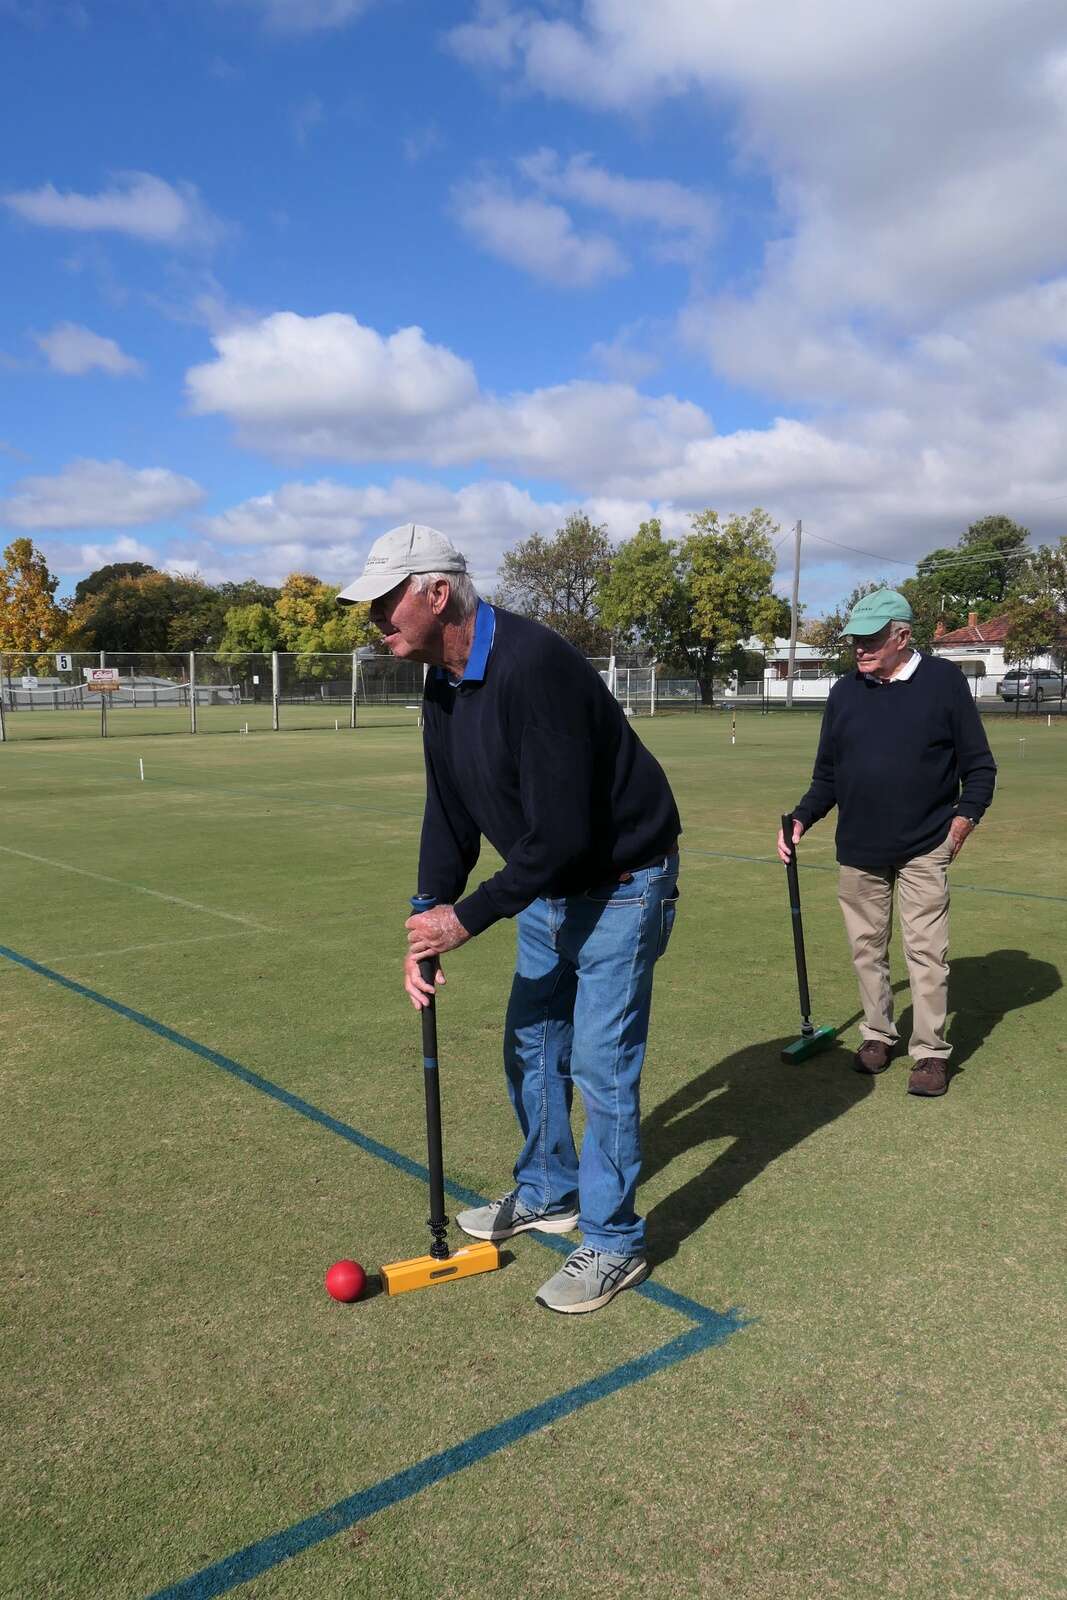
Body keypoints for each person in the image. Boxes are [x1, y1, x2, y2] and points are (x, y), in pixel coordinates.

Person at [339, 523, 681, 1313]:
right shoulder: (439, 682)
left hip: (621, 884)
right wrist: (427, 914)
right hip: (547, 886)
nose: (374, 618)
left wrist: (469, 918)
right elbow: (451, 812)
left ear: (436, 592)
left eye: (385, 600)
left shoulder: (536, 667)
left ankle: (613, 1241)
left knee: (599, 1064)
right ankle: (549, 1189)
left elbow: (562, 835)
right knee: (531, 1042)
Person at [777, 588, 996, 1097]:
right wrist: (803, 817)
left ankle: (930, 1053)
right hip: (859, 848)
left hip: (925, 845)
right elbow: (827, 774)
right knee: (866, 949)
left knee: (927, 953)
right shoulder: (844, 692)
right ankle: (877, 1034)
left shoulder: (943, 683)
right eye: (855, 639)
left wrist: (960, 826)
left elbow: (980, 769)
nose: (859, 648)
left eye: (871, 639)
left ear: (902, 636)